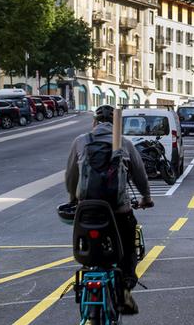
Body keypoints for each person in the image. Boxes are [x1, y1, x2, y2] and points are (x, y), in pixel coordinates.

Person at [64, 104, 153, 314]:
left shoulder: (80, 142)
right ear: (116, 125)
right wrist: (146, 198)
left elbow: (71, 176)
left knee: (85, 242)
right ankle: (124, 290)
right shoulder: (124, 144)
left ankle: (88, 272)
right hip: (119, 211)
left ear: (94, 122)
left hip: (88, 210)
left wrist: (72, 198)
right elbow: (140, 175)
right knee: (129, 246)